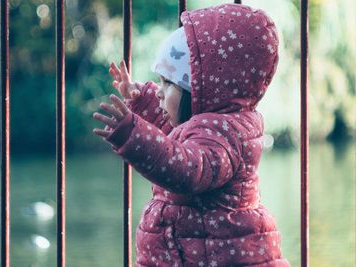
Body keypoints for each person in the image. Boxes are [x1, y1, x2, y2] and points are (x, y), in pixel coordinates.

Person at [93, 3, 290, 266]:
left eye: (168, 83)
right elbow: (173, 139)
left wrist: (133, 134)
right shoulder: (205, 125)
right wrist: (140, 100)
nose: (159, 90)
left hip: (212, 255)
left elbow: (185, 169)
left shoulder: (223, 135)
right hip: (192, 251)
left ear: (200, 90)